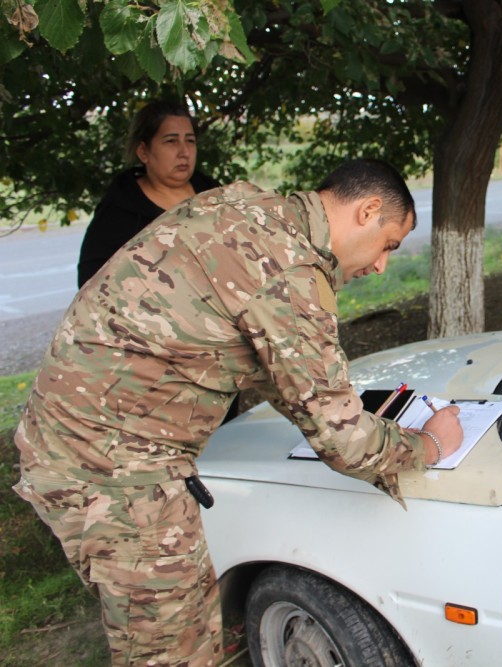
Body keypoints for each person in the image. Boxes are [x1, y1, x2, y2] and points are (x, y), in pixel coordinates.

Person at [13, 158, 464, 666]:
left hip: (76, 439)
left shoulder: (244, 206)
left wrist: (342, 411)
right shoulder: (289, 271)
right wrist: (430, 444)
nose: (381, 265)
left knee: (183, 626)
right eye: (389, 244)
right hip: (117, 469)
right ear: (368, 210)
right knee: (173, 652)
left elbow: (271, 366)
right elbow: (344, 443)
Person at [77, 99, 220, 288]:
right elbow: (92, 288)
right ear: (143, 152)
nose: (184, 152)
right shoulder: (118, 214)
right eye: (171, 141)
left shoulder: (216, 197)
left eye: (190, 141)